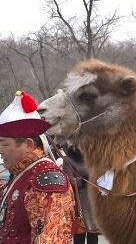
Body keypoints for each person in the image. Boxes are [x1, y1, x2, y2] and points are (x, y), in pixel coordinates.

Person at [0, 91, 75, 244]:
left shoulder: (46, 183)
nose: (0, 150)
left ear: (28, 145)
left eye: (4, 144)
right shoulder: (22, 173)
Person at [62, 145, 99, 244]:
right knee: (80, 231)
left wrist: (93, 177)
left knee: (93, 232)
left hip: (92, 199)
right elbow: (69, 179)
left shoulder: (91, 160)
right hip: (79, 200)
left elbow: (98, 176)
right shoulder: (68, 161)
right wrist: (83, 179)